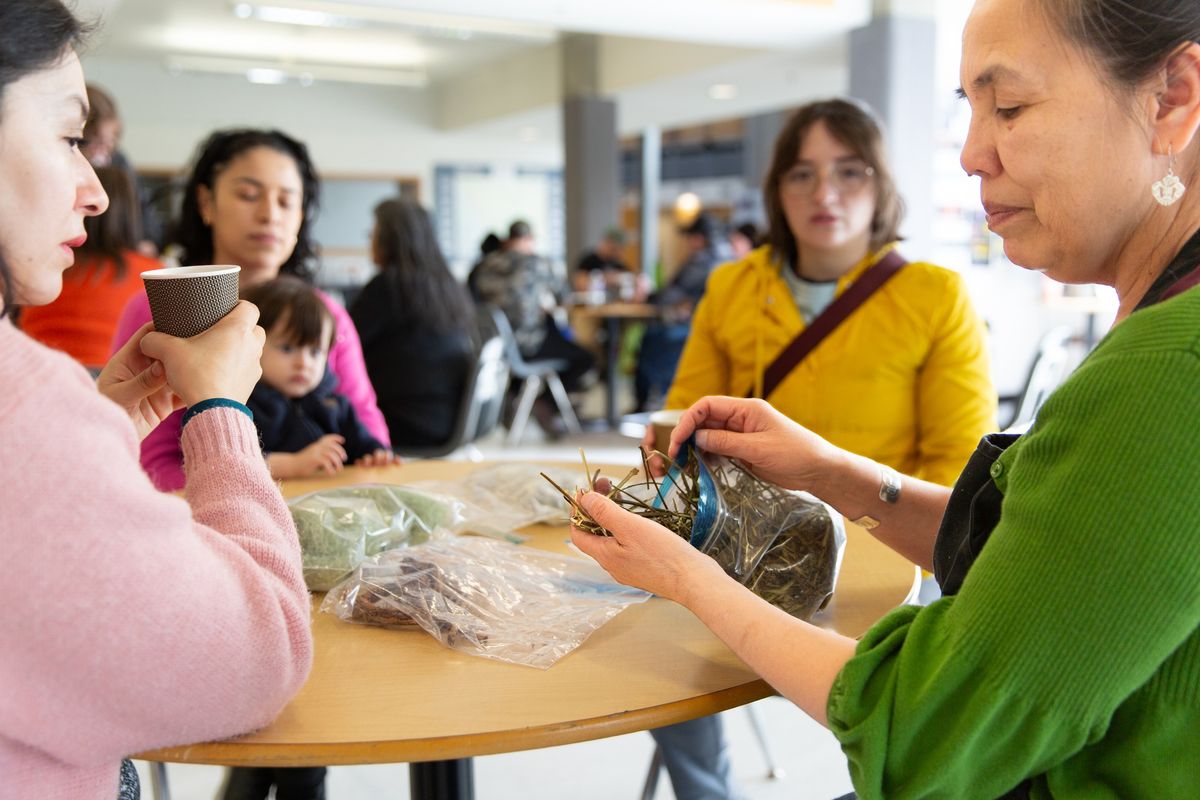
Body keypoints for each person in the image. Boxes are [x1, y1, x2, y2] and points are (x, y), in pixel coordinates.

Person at [575, 1, 1200, 798]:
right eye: (968, 111)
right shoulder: (739, 287)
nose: (974, 152)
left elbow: (925, 732)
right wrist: (829, 471)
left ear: (1171, 98)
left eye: (1009, 106)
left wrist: (690, 577)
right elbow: (1039, 551)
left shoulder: (1161, 369)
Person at [0, 3, 313, 798]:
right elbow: (257, 655)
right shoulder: (130, 310)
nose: (95, 192)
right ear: (205, 202)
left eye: (288, 197)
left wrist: (93, 422)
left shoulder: (322, 307)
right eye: (69, 138)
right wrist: (222, 415)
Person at [113, 127, 389, 492]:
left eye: (287, 201)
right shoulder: (162, 307)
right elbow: (153, 464)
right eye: (248, 195)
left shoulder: (326, 314)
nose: (269, 214)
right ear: (206, 203)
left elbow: (371, 436)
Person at [350, 198, 477, 449]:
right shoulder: (448, 285)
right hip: (446, 417)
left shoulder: (388, 287)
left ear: (389, 239)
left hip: (407, 421)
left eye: (372, 233)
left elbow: (339, 344)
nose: (370, 240)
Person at [244, 276, 395, 479]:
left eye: (315, 352)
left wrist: (375, 454)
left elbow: (363, 445)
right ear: (254, 344)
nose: (303, 363)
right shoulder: (244, 409)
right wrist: (293, 465)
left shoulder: (335, 406)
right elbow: (235, 465)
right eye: (287, 348)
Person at [18, 165, 161, 370]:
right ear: (132, 212)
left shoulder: (45, 265)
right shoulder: (152, 273)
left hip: (37, 373)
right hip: (113, 381)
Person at [474, 219, 595, 432]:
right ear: (529, 240)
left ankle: (514, 399)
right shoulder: (537, 263)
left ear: (507, 240)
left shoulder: (484, 266)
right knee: (586, 359)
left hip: (495, 346)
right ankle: (544, 404)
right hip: (530, 344)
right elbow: (564, 296)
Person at [633, 211, 728, 412]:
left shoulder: (702, 260)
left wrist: (648, 296)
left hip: (694, 330)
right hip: (721, 332)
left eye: (690, 238)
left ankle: (645, 403)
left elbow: (674, 292)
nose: (688, 243)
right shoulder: (728, 257)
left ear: (699, 238)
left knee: (650, 337)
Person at [82, 83, 161, 254]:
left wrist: (147, 241)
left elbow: (141, 207)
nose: (102, 152)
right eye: (96, 141)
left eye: (110, 141)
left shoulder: (119, 161)